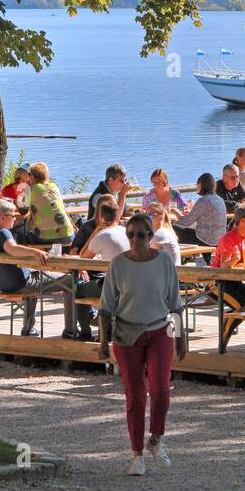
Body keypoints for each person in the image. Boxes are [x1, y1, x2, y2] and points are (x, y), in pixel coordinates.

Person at [99, 213, 185, 476]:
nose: (135, 240)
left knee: (161, 389)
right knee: (135, 394)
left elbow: (176, 305)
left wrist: (182, 340)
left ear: (151, 237)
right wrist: (103, 342)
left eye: (141, 234)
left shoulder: (164, 263)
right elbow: (105, 308)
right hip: (126, 335)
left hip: (159, 330)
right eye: (131, 235)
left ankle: (156, 439)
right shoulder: (118, 265)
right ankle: (136, 453)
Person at [0, 199, 77, 338]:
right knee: (70, 281)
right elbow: (12, 248)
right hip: (23, 283)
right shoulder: (3, 233)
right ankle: (70, 331)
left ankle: (29, 329)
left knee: (36, 274)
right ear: (2, 217)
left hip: (3, 284)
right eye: (13, 216)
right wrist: (35, 252)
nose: (15, 219)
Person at [78, 200, 132, 340]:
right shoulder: (126, 231)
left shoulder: (103, 235)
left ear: (101, 217)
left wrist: (96, 230)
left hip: (112, 287)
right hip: (131, 283)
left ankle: (85, 332)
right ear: (117, 217)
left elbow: (82, 258)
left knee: (78, 288)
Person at [211, 205, 245, 314]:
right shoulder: (228, 239)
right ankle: (224, 328)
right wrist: (236, 258)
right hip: (218, 283)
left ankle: (228, 322)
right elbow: (224, 266)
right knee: (243, 307)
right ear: (242, 221)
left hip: (236, 282)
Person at [20, 162, 75, 248]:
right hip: (67, 234)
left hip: (44, 237)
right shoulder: (54, 186)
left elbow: (23, 211)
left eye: (29, 174)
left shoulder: (30, 189)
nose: (28, 177)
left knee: (24, 236)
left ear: (33, 176)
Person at [175, 173, 227, 246]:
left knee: (173, 227)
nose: (197, 187)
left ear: (201, 185)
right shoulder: (220, 199)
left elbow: (187, 222)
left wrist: (176, 213)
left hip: (204, 240)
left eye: (198, 184)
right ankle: (205, 255)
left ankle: (182, 256)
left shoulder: (203, 200)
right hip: (219, 240)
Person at [145, 203, 182, 267]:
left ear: (162, 216)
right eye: (146, 215)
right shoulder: (165, 231)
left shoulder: (159, 235)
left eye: (151, 215)